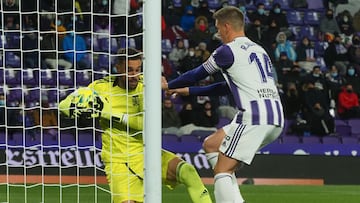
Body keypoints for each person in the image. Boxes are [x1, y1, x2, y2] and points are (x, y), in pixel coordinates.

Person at [162, 6, 284, 203]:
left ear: (227, 26)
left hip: (253, 117)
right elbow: (225, 87)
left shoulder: (226, 51)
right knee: (211, 145)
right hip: (275, 117)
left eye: (218, 27)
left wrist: (169, 84)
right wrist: (189, 91)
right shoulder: (259, 50)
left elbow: (197, 74)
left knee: (222, 169)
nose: (217, 32)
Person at [59, 48, 212, 203]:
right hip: (119, 160)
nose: (134, 76)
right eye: (129, 70)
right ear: (118, 68)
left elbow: (146, 124)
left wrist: (107, 112)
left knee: (188, 172)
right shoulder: (101, 88)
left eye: (138, 70)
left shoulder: (146, 85)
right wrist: (77, 109)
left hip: (147, 154)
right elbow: (63, 105)